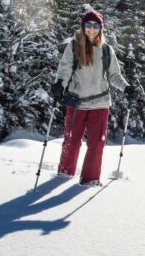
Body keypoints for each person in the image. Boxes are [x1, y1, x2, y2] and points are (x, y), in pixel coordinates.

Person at [50, 10, 128, 186]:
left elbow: (114, 76)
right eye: (88, 25)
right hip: (76, 102)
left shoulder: (107, 50)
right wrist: (59, 85)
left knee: (97, 144)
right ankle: (64, 173)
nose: (91, 29)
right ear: (83, 27)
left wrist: (126, 89)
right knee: (71, 141)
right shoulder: (74, 46)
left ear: (100, 28)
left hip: (100, 103)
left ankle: (90, 179)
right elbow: (65, 69)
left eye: (96, 26)